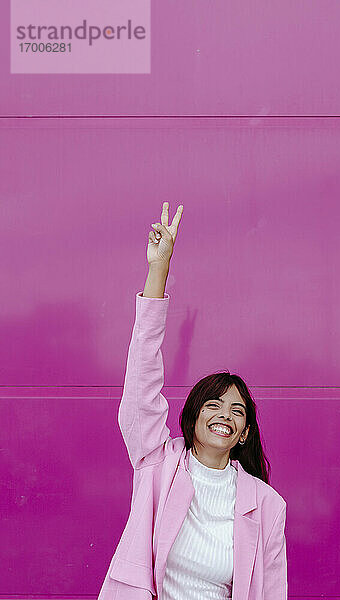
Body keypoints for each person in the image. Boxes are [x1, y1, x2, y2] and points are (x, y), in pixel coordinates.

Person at [98, 202, 287, 600]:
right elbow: (141, 380)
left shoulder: (267, 505)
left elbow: (271, 592)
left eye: (237, 411)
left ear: (244, 432)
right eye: (213, 405)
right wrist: (158, 268)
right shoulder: (157, 462)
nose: (225, 416)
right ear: (193, 418)